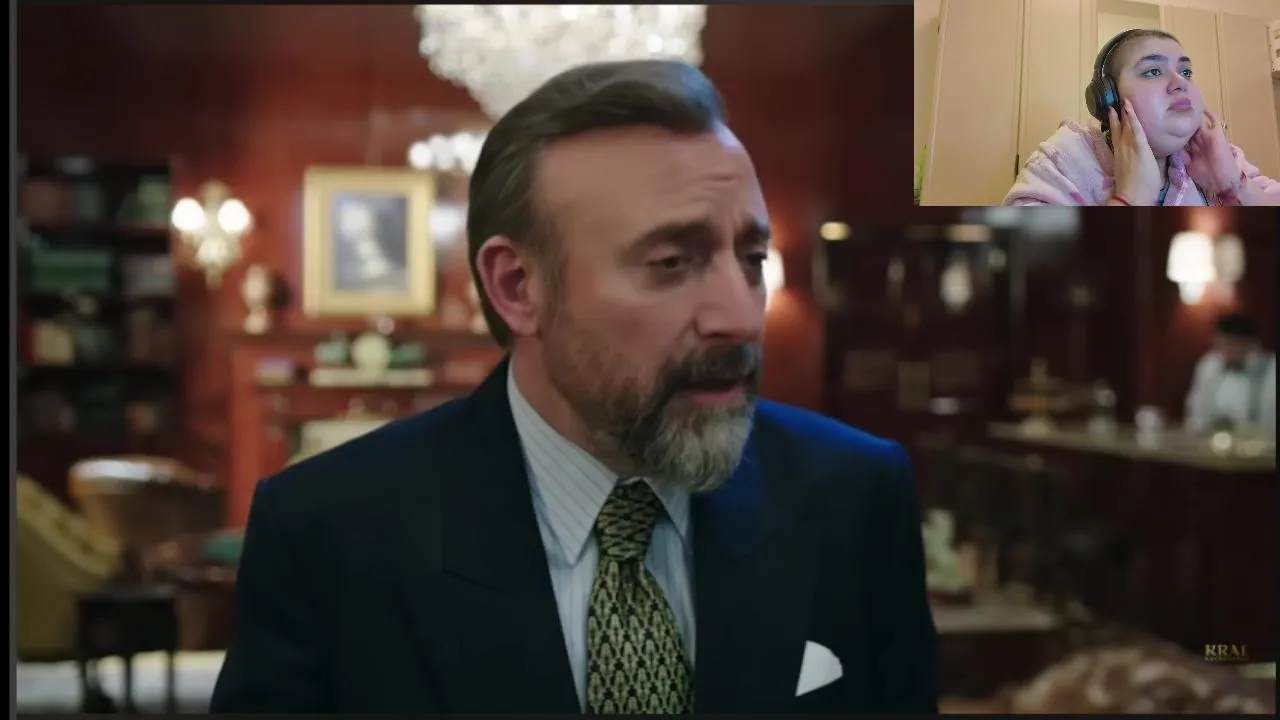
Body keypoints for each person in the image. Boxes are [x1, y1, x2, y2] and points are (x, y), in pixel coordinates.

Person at [210, 60, 938, 714]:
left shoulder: (854, 497)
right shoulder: (329, 535)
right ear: (517, 286)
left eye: (750, 259)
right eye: (672, 263)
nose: (740, 317)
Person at [1004, 29, 1280, 206]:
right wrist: (1129, 199)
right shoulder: (1064, 160)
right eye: (1153, 71)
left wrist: (1234, 184)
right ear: (1108, 98)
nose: (1180, 82)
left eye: (1185, 72)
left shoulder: (1220, 155)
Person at [1184, 313, 1276, 437]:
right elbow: (1196, 408)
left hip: (1259, 442)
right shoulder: (1209, 365)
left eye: (1233, 344)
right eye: (1221, 343)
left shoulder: (1271, 369)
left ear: (1252, 344)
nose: (1227, 349)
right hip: (1211, 441)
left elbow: (1270, 416)